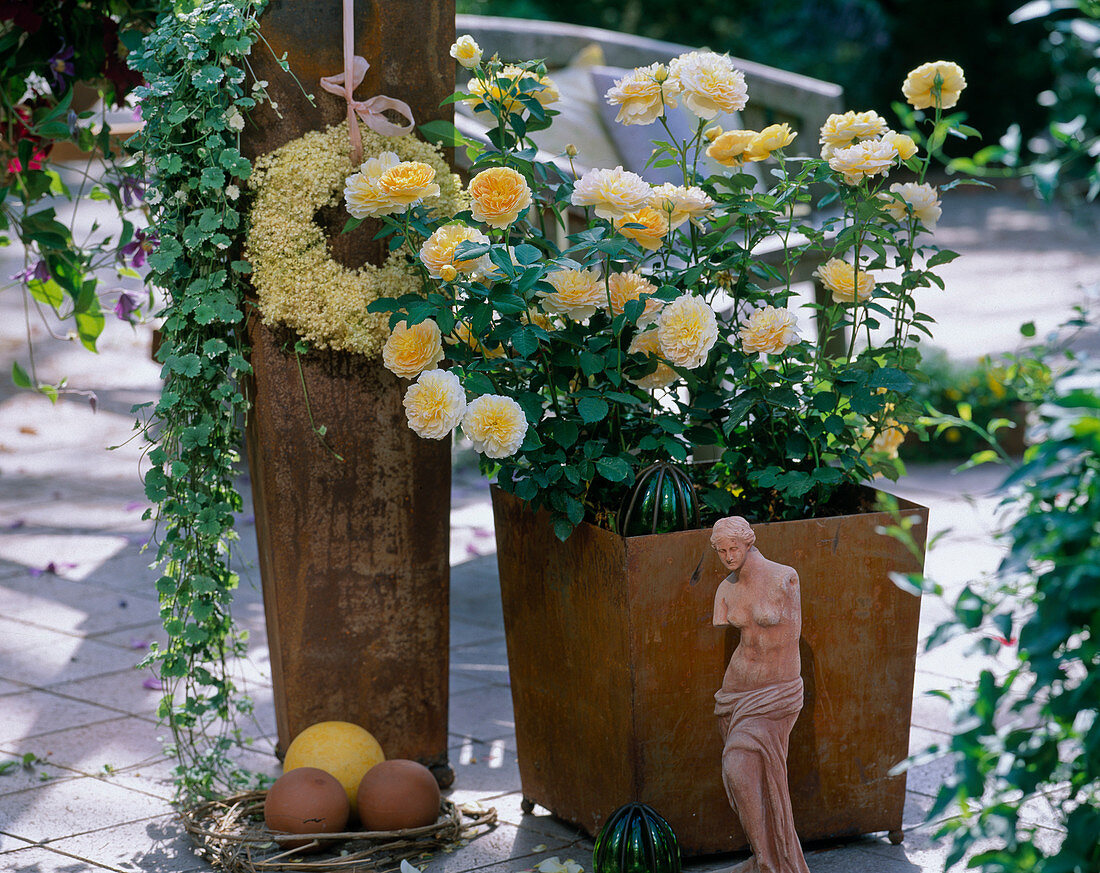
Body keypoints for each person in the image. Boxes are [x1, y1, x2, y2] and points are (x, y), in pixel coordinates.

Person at [711, 516, 810, 873]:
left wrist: (781, 687)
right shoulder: (725, 588)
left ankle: (772, 861)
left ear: (749, 541)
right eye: (720, 551)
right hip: (735, 692)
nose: (727, 556)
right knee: (742, 774)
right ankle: (764, 858)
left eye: (733, 548)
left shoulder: (784, 577)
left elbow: (791, 639)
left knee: (740, 766)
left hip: (776, 691)